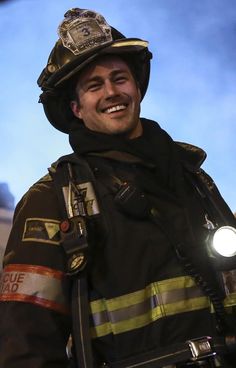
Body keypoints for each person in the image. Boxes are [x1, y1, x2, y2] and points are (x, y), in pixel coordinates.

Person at [0, 7, 236, 368]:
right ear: (77, 108)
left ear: (137, 86)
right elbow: (25, 343)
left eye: (119, 78)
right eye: (94, 86)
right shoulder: (52, 200)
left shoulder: (192, 178)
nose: (112, 92)